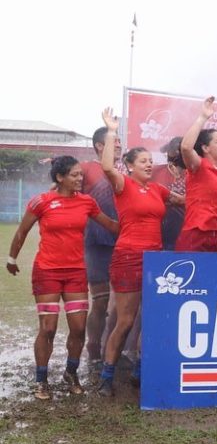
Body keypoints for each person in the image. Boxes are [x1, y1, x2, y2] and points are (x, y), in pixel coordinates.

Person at [6, 156, 118, 400]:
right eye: (75, 175)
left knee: (78, 328)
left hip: (76, 272)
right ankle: (42, 379)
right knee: (48, 328)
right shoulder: (41, 202)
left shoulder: (87, 202)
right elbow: (22, 231)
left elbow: (110, 224)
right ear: (60, 177)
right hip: (47, 271)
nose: (80, 179)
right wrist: (12, 259)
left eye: (81, 174)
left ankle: (70, 372)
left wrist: (138, 228)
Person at [96, 108, 182, 396]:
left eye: (150, 160)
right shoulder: (124, 185)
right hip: (128, 257)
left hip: (155, 261)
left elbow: (189, 201)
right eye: (143, 161)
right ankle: (106, 376)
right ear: (130, 166)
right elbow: (108, 167)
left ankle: (141, 370)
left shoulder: (157, 190)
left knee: (154, 317)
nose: (148, 164)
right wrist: (111, 131)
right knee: (126, 320)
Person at [80, 125, 122, 367]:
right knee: (101, 301)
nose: (118, 145)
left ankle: (113, 346)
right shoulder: (87, 168)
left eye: (118, 142)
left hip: (122, 241)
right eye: (114, 141)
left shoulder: (124, 169)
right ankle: (93, 346)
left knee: (124, 303)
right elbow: (61, 190)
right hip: (96, 242)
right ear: (99, 146)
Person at [176, 96, 217, 252]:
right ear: (206, 148)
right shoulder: (199, 165)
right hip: (196, 232)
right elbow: (186, 147)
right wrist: (203, 117)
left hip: (215, 234)